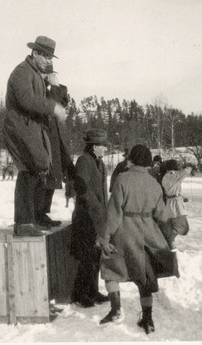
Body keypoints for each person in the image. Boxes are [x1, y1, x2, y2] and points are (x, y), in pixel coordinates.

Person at [96, 144, 179, 334]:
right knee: (145, 275)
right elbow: (162, 215)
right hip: (148, 233)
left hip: (124, 232)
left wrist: (104, 237)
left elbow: (114, 213)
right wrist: (167, 238)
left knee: (110, 267)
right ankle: (148, 319)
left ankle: (116, 310)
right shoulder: (154, 183)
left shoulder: (122, 179)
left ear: (131, 159)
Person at [3, 36, 67, 236]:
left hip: (30, 128)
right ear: (36, 53)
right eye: (46, 56)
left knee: (40, 168)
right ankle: (24, 223)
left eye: (51, 57)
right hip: (20, 128)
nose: (49, 61)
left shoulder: (36, 74)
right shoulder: (23, 72)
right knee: (30, 169)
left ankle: (33, 218)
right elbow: (26, 100)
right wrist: (53, 106)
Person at [71, 129, 109, 308]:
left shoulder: (98, 162)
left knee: (95, 255)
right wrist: (94, 204)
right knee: (86, 256)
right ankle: (81, 294)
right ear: (94, 147)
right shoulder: (85, 161)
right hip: (86, 216)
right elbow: (81, 185)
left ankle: (93, 291)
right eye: (103, 146)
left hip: (98, 216)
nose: (105, 149)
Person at [34, 63, 75, 228]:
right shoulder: (39, 90)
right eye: (48, 74)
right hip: (44, 143)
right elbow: (49, 104)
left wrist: (57, 86)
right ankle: (37, 215)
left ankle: (42, 214)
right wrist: (55, 87)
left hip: (55, 143)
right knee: (43, 182)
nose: (50, 78)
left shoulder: (50, 90)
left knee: (52, 180)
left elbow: (63, 101)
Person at [157, 159, 196, 250]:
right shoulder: (173, 175)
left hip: (171, 202)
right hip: (175, 204)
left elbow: (173, 189)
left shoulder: (166, 176)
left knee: (173, 226)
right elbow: (186, 171)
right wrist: (190, 166)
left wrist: (181, 196)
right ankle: (169, 237)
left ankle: (172, 247)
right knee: (183, 227)